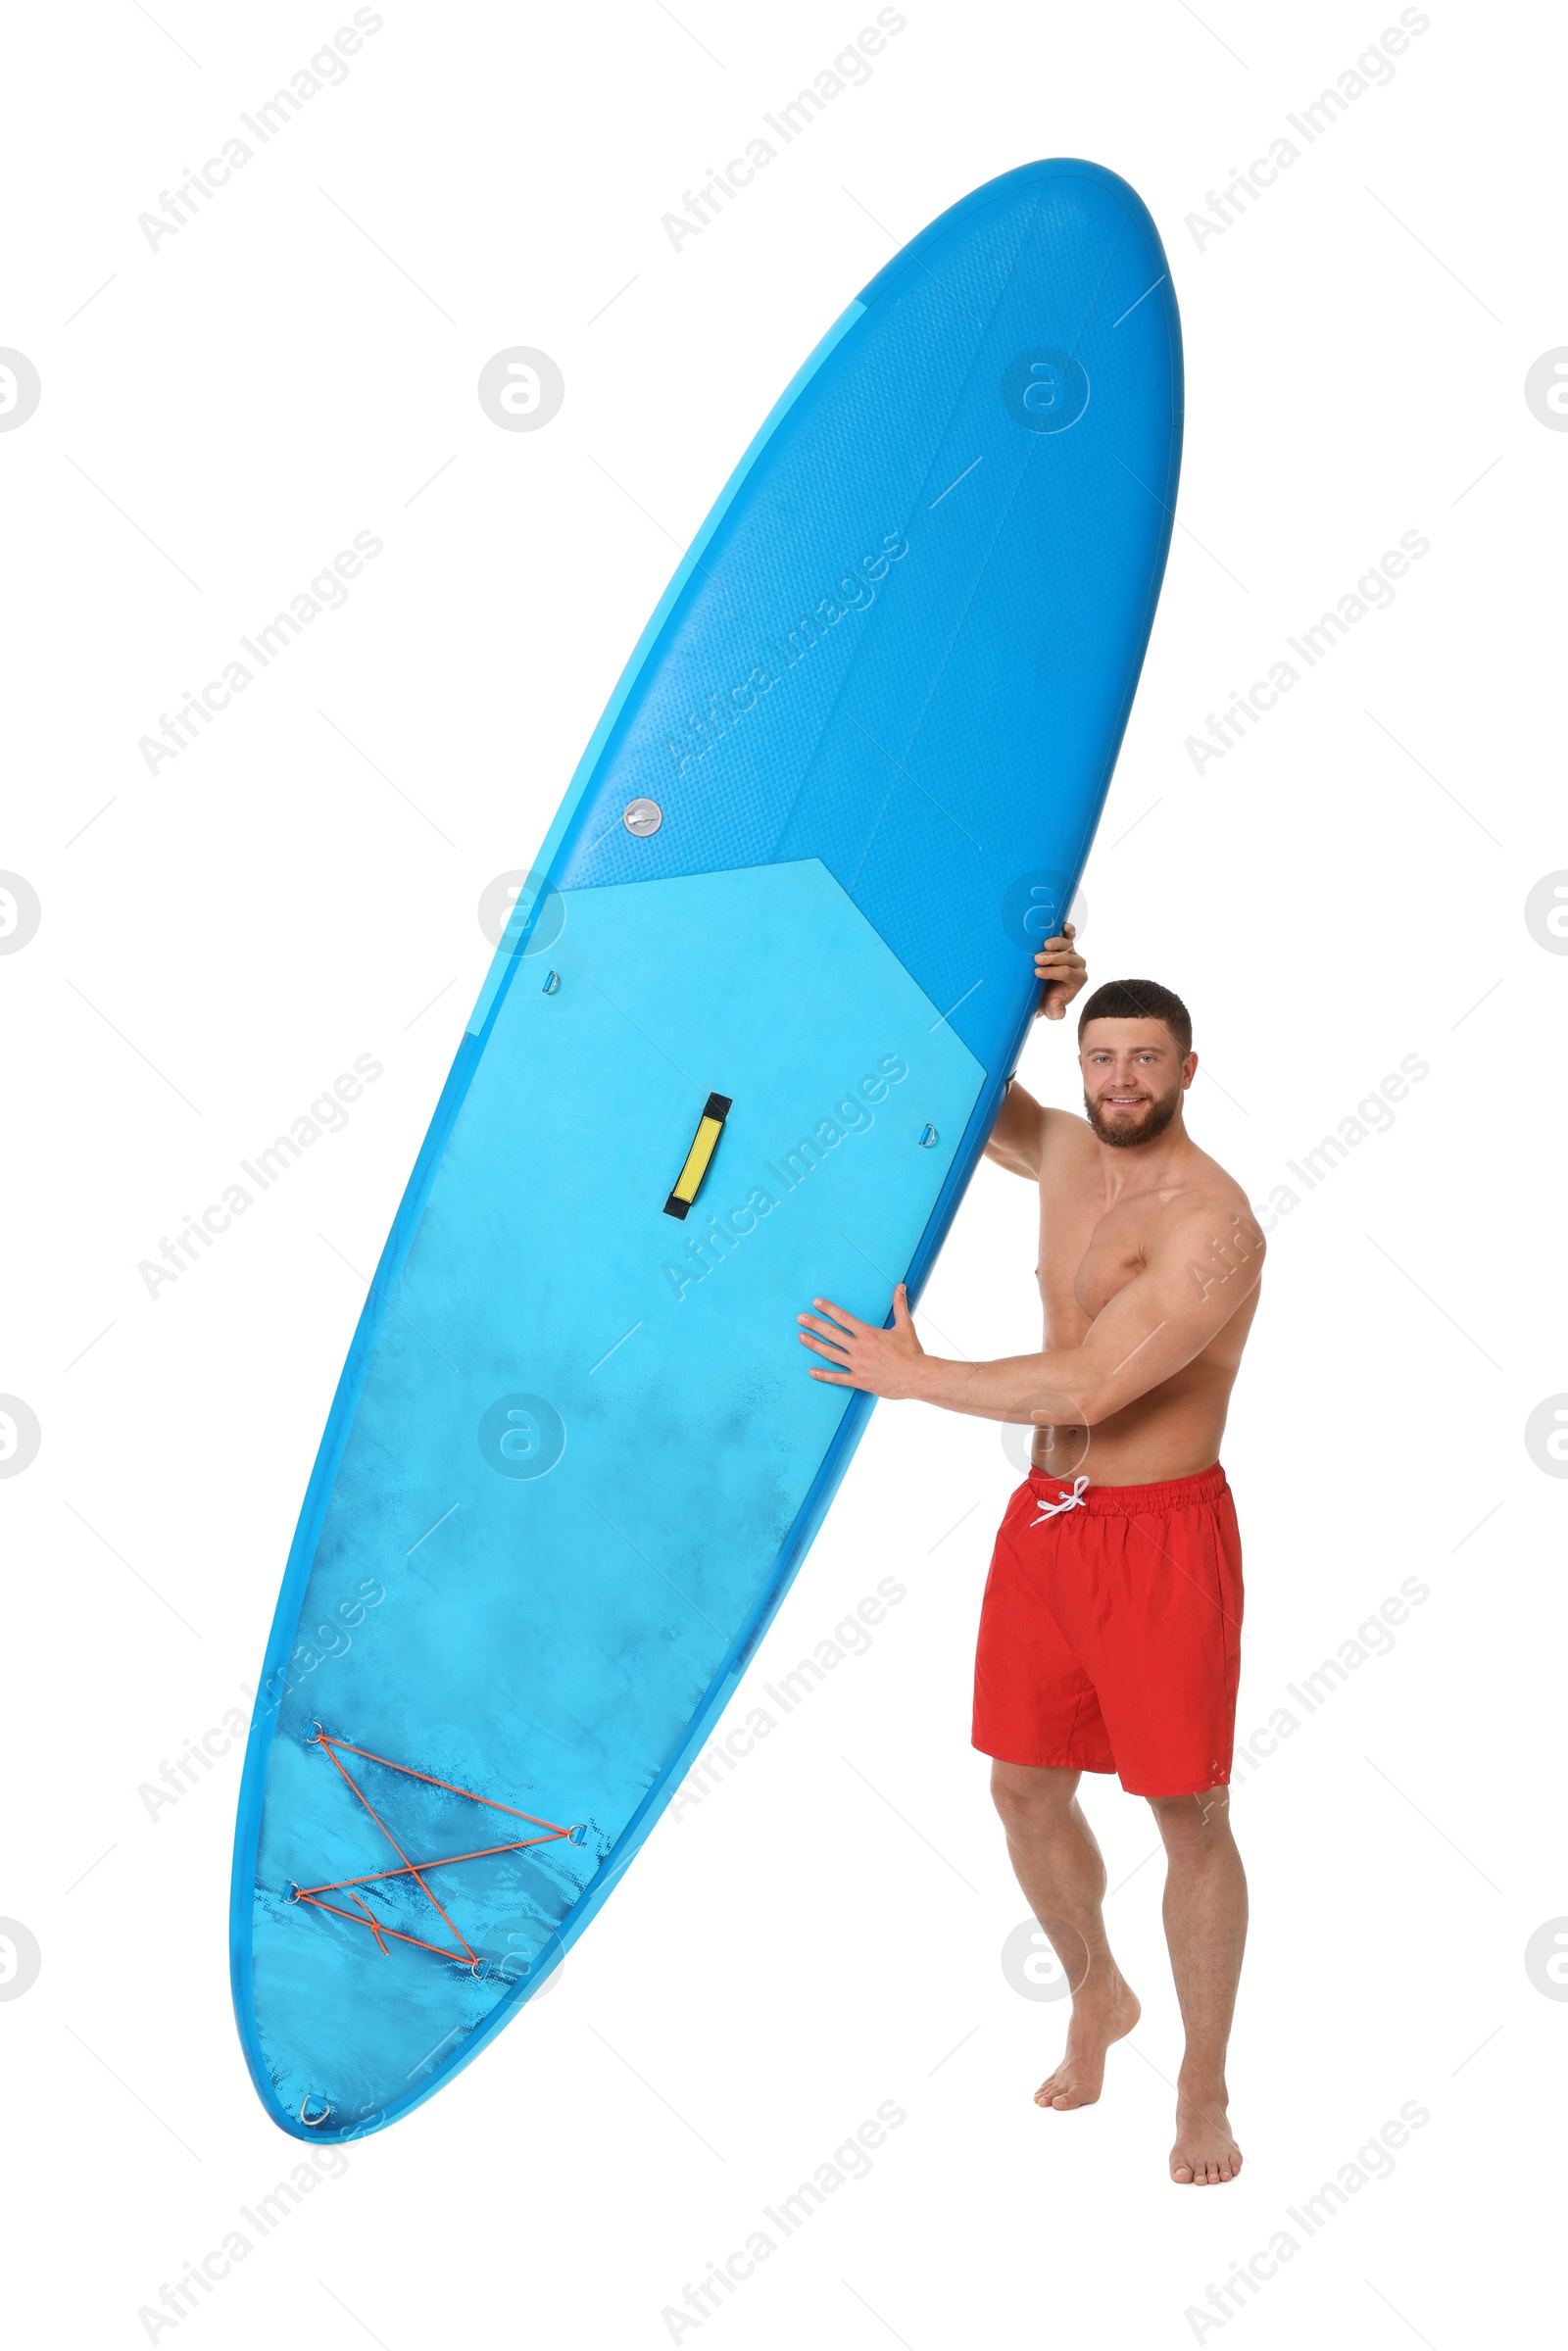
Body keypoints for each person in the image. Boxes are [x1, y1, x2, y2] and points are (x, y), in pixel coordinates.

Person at [796, 926, 1263, 2185]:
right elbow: (966, 1094)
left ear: (1187, 1069)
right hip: (1048, 1528)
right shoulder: (1061, 1152)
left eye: (1144, 1061)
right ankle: (1099, 1990)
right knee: (1020, 1785)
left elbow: (1097, 1379)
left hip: (1160, 1537)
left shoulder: (1215, 1223)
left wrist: (913, 1373)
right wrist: (1019, 990)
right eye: (1101, 1054)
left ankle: (1203, 2082)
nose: (1118, 1079)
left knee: (1185, 1808)